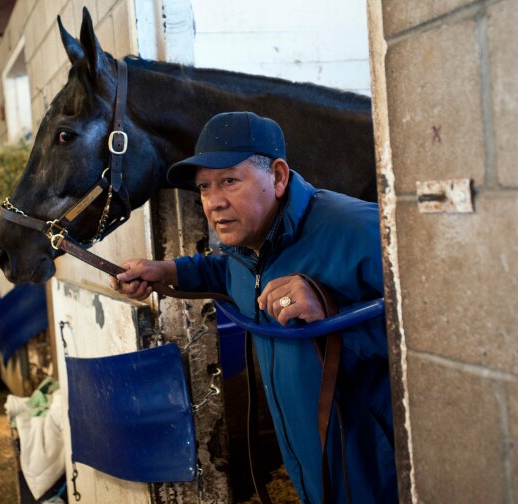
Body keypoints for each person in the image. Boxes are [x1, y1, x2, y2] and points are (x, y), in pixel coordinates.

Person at [110, 112, 397, 503]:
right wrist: (167, 270)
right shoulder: (249, 246)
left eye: (229, 180)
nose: (214, 203)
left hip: (376, 466)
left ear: (278, 177)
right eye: (205, 188)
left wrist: (333, 314)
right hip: (308, 460)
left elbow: (434, 327)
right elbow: (230, 270)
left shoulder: (360, 230)